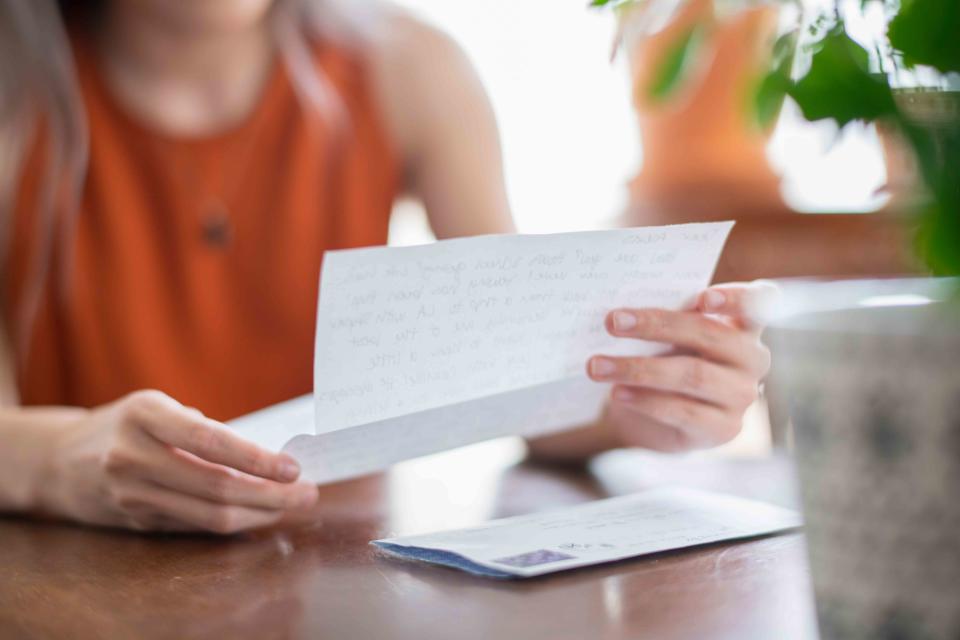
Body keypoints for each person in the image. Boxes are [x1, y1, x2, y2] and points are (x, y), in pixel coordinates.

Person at [0, 0, 771, 534]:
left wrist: (638, 402)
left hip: (334, 577)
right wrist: (61, 462)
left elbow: (521, 389)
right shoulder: (19, 102)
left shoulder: (409, 69)